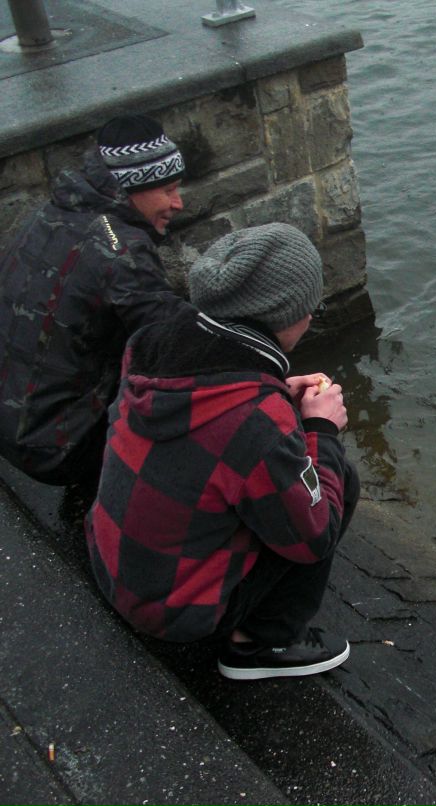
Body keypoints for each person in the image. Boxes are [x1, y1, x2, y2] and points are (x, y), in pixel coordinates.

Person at [84, 223, 360, 680]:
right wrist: (319, 429)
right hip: (173, 612)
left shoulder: (151, 344)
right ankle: (259, 647)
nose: (312, 318)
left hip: (113, 563)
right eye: (311, 308)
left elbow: (213, 434)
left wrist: (275, 398)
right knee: (337, 482)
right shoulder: (255, 418)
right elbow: (314, 535)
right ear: (285, 313)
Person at [0, 114, 188, 487]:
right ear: (133, 188)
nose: (178, 203)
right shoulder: (123, 250)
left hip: (13, 426)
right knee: (191, 403)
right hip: (57, 451)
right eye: (168, 190)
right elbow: (176, 342)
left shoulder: (49, 213)